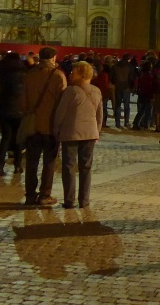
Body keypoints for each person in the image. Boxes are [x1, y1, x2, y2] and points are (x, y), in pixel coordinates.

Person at [52, 61, 103, 210]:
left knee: (68, 167)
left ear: (81, 74)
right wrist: (97, 131)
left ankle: (69, 200)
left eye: (73, 72)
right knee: (86, 167)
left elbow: (60, 113)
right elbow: (100, 115)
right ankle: (84, 200)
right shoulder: (97, 91)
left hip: (71, 133)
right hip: (90, 133)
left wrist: (56, 130)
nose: (70, 75)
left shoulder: (71, 91)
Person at [21, 46, 67, 206]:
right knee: (49, 161)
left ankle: (30, 195)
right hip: (50, 125)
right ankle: (45, 194)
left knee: (31, 161)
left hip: (33, 125)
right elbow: (62, 102)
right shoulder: (58, 75)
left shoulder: (30, 74)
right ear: (53, 58)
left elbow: (23, 100)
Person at [0, 52, 26, 178]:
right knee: (18, 138)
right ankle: (17, 166)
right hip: (19, 110)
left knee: (5, 138)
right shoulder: (23, 74)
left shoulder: (0, 73)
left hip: (3, 109)